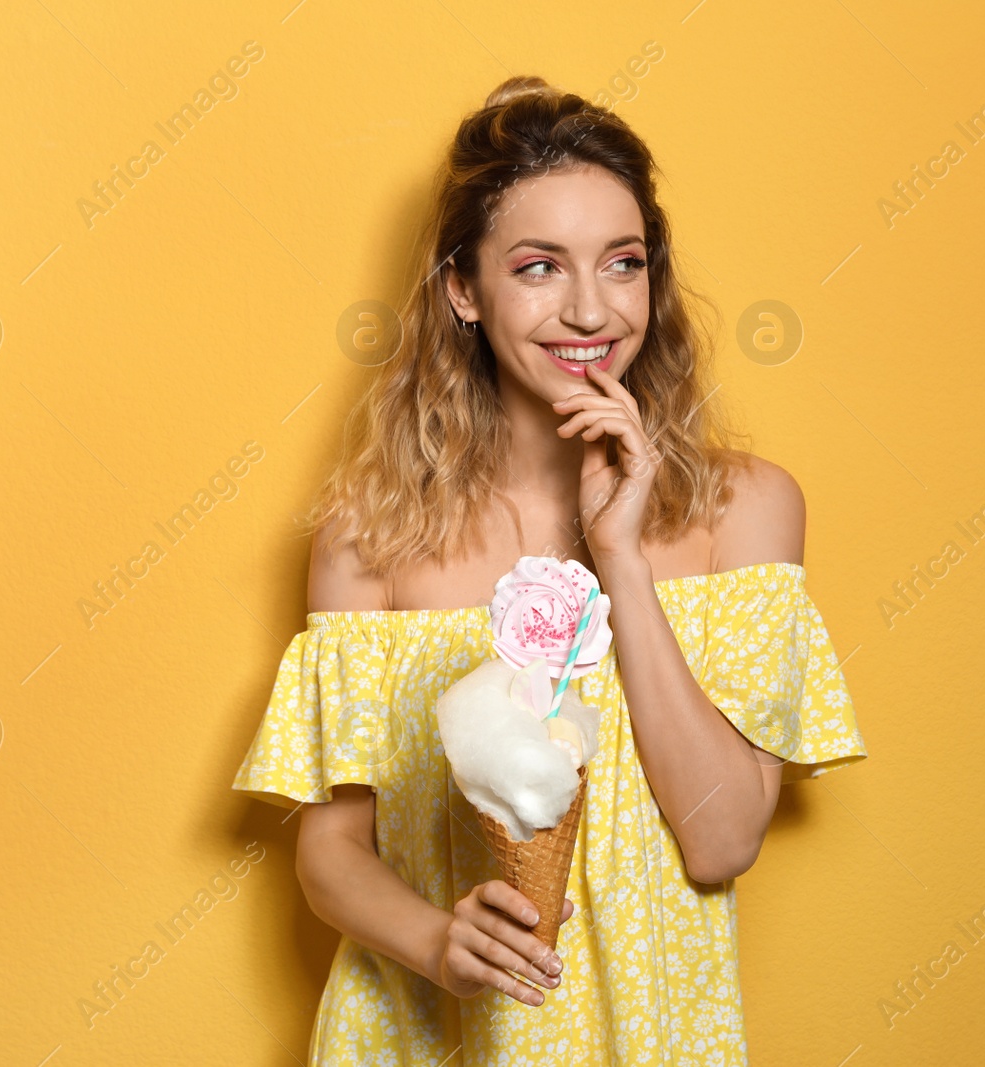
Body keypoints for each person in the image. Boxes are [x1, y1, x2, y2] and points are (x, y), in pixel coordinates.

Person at [231, 74, 868, 1066]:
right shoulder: (371, 534)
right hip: (427, 1037)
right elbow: (330, 854)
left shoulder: (745, 510)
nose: (588, 309)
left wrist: (617, 553)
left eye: (621, 263)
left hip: (652, 1035)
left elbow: (722, 840)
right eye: (537, 267)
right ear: (462, 290)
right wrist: (437, 940)